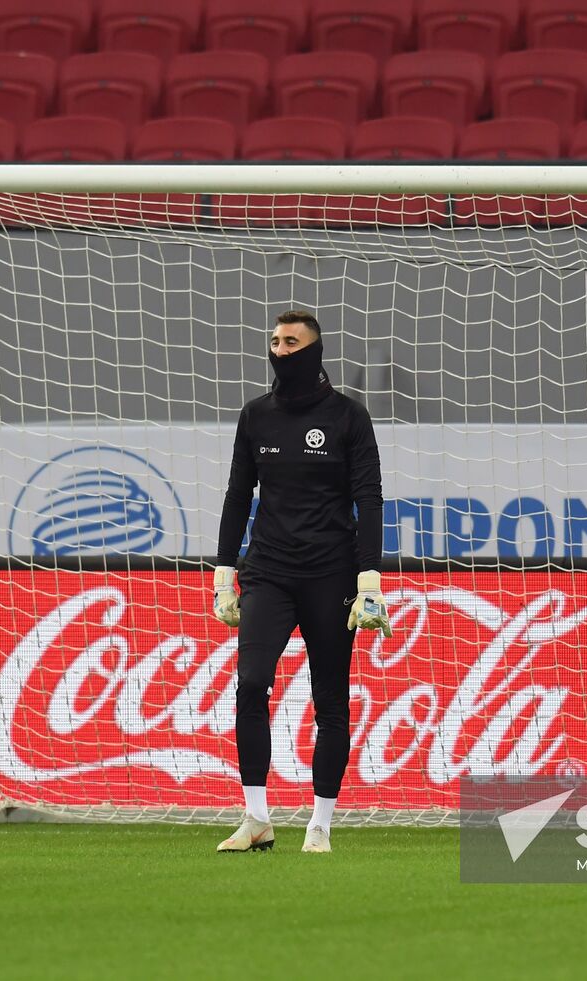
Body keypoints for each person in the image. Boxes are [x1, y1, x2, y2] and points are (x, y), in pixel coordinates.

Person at [211, 309, 391, 855]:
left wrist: (369, 580)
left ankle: (320, 824)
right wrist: (224, 573)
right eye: (273, 340)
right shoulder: (255, 416)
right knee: (250, 685)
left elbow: (369, 498)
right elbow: (238, 495)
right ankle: (257, 817)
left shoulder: (348, 418)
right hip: (267, 571)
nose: (279, 349)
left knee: (330, 701)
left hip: (331, 573)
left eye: (290, 341)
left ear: (314, 351)